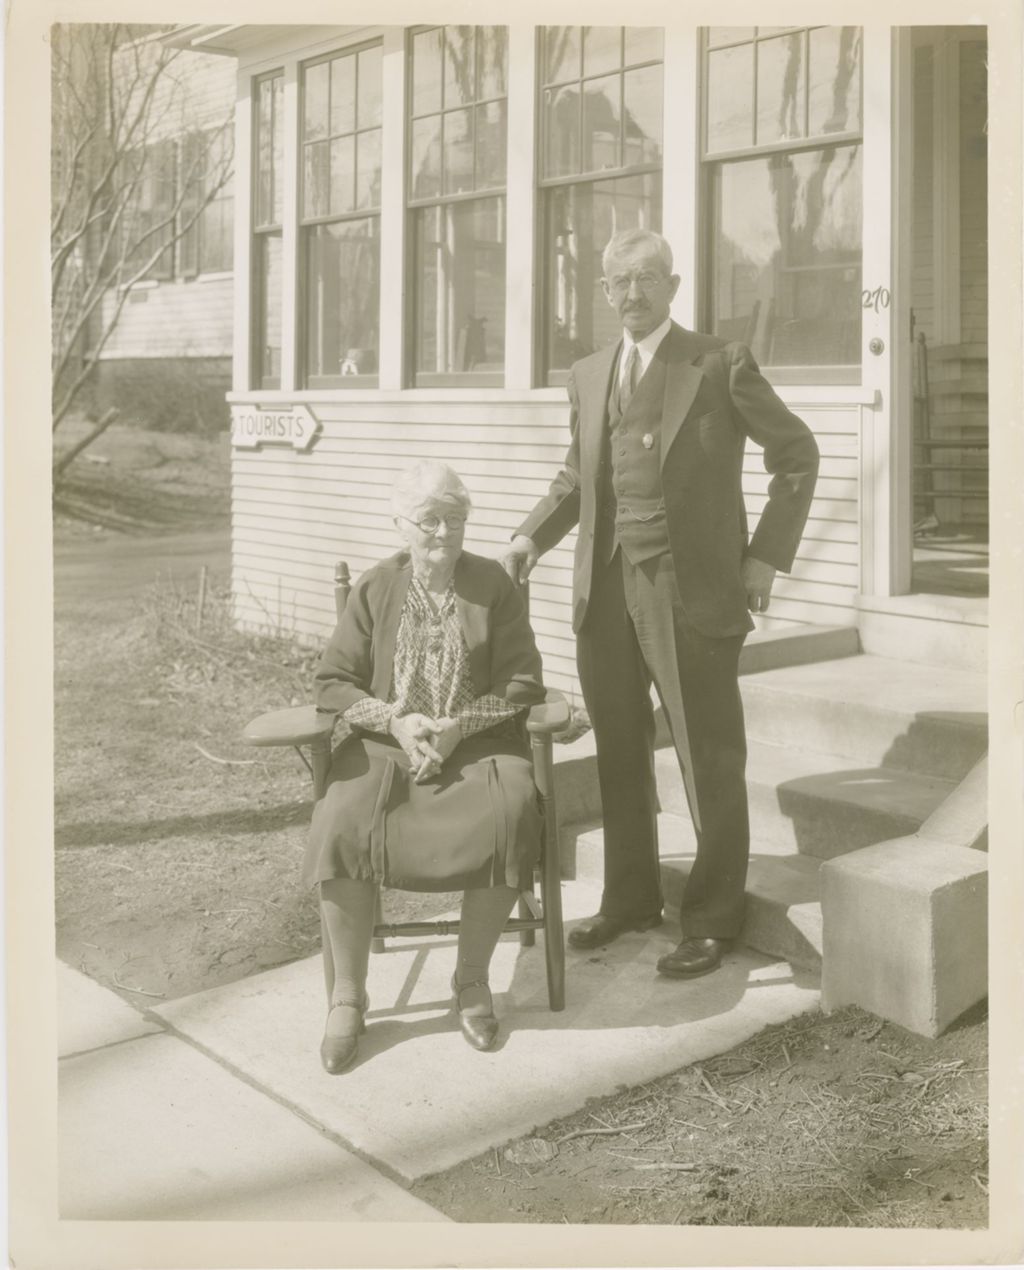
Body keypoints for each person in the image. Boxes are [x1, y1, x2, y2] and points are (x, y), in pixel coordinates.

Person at [502, 228, 819, 981]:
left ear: (674, 285)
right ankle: (631, 899)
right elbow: (581, 479)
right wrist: (528, 538)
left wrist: (764, 556)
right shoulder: (586, 374)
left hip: (692, 593)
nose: (633, 293)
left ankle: (712, 918)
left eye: (648, 278)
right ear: (605, 293)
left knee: (707, 754)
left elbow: (797, 455)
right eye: (619, 282)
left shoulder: (718, 362)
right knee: (617, 752)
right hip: (605, 590)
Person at [305, 461, 545, 1073]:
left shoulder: (493, 584)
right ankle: (348, 997)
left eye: (456, 519)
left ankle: (471, 981)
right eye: (429, 520)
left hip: (478, 737)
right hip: (389, 740)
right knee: (341, 815)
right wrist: (394, 721)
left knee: (511, 806)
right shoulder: (375, 587)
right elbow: (332, 680)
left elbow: (523, 679)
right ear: (400, 524)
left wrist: (460, 724)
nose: (443, 533)